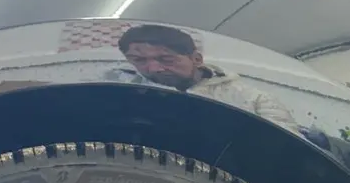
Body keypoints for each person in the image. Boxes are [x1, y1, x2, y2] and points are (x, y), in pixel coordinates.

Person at [106, 23, 302, 134]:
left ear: (197, 59)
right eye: (139, 60)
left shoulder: (254, 100)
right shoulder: (123, 97)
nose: (153, 69)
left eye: (166, 59)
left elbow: (286, 149)